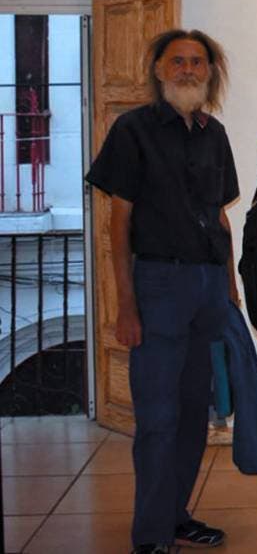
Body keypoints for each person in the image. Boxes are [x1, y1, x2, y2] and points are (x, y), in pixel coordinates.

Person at [85, 29, 238, 554]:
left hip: (207, 285)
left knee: (196, 413)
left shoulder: (215, 134)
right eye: (178, 61)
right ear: (158, 70)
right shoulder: (133, 130)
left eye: (197, 62)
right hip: (157, 286)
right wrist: (126, 305)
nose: (188, 70)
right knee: (157, 418)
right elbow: (118, 223)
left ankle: (176, 517)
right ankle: (150, 535)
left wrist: (231, 289)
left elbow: (220, 217)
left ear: (209, 72)